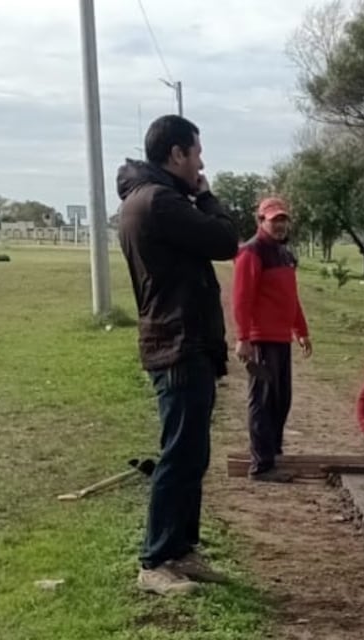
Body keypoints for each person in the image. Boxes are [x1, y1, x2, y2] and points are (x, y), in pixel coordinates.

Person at [117, 114, 239, 596]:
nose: (202, 161)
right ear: (176, 155)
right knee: (179, 455)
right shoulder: (160, 202)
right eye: (197, 152)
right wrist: (206, 195)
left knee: (192, 454)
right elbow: (225, 240)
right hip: (177, 343)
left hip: (181, 341)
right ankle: (155, 561)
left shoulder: (147, 198)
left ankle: (181, 551)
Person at [232, 197, 312, 477]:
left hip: (281, 339)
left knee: (281, 399)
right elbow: (241, 299)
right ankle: (262, 465)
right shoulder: (251, 252)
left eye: (282, 220)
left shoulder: (284, 254)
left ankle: (273, 453)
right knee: (263, 401)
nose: (279, 225)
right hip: (261, 339)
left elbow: (291, 298)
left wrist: (301, 330)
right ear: (260, 221)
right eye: (273, 220)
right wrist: (243, 338)